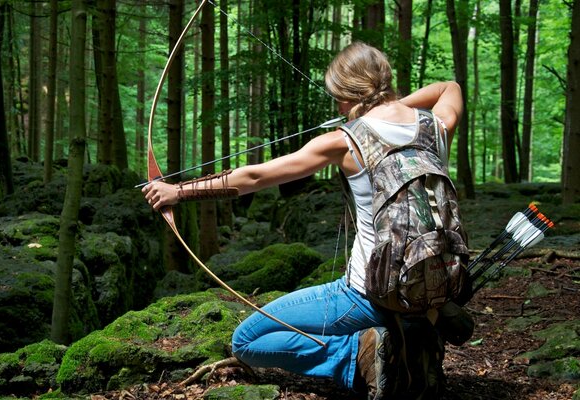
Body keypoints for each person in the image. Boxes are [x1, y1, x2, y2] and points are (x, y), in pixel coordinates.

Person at [142, 41, 464, 399]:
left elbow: (254, 178)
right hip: (434, 284)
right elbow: (450, 87)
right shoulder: (437, 124)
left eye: (337, 97)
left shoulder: (345, 141)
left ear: (349, 94)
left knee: (247, 340)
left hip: (367, 294)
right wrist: (395, 106)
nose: (337, 106)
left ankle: (356, 356)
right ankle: (415, 331)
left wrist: (178, 192)